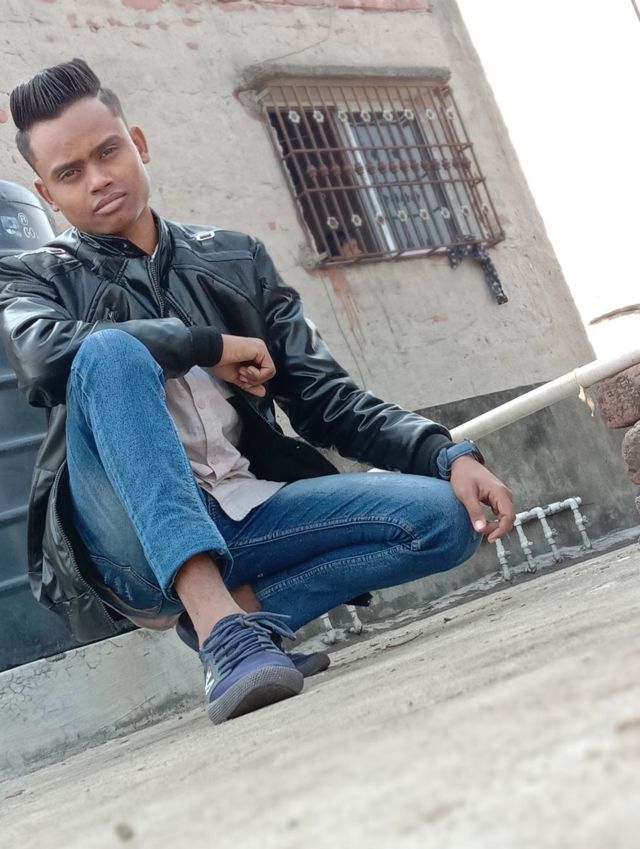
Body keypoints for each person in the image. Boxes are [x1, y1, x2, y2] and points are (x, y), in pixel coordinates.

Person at [0, 59, 515, 725]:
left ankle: (236, 616)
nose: (98, 179)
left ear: (139, 144)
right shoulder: (33, 275)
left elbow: (326, 398)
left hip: (245, 507)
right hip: (127, 544)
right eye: (71, 173)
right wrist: (205, 345)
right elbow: (41, 355)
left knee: (445, 519)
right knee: (108, 351)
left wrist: (445, 453)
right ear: (46, 192)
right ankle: (225, 635)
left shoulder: (235, 259)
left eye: (108, 152)